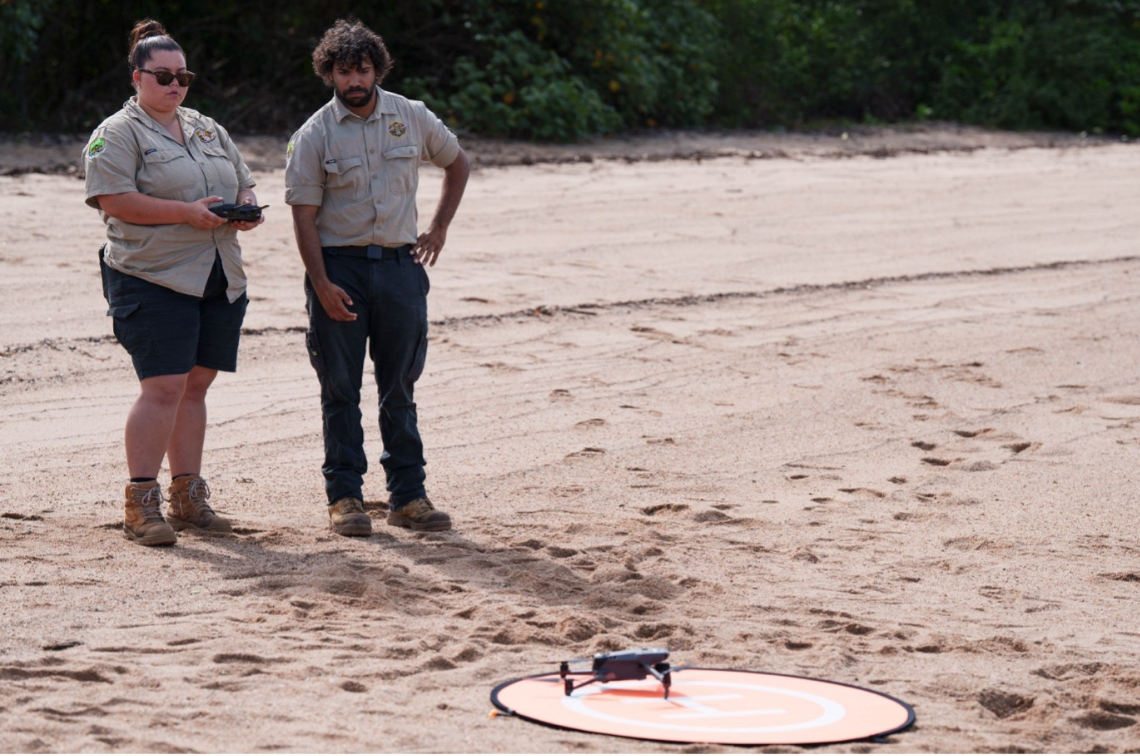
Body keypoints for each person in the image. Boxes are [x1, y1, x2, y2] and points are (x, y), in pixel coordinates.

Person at [285, 18, 469, 537]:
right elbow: (302, 215)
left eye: (362, 69)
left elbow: (458, 163)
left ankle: (408, 497)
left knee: (400, 387)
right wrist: (320, 283)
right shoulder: (314, 134)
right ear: (330, 75)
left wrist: (438, 227)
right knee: (339, 388)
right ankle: (345, 498)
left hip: (399, 268)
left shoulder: (411, 116)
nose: (354, 81)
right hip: (337, 268)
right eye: (344, 72)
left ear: (377, 68)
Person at [84, 19, 264, 547]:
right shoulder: (116, 133)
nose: (174, 85)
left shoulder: (207, 128)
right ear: (137, 78)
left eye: (182, 76)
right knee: (162, 387)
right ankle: (142, 504)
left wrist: (247, 209)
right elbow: (114, 201)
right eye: (162, 76)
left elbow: (244, 180)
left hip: (217, 276)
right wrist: (184, 213)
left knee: (196, 386)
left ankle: (189, 497)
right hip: (151, 277)